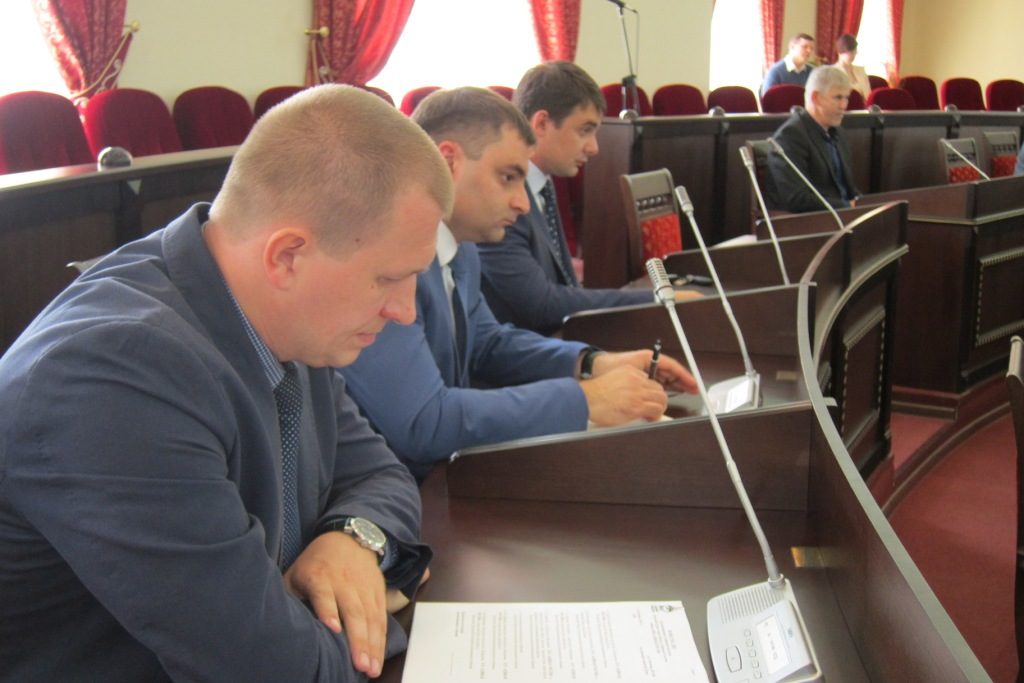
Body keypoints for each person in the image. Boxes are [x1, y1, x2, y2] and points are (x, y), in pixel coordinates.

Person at [0, 85, 453, 682]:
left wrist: (352, 539)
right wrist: (377, 609)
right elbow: (278, 671)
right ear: (287, 256)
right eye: (388, 279)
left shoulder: (287, 316)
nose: (405, 311)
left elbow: (380, 474)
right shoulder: (109, 375)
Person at [340, 87, 697, 480]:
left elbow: (488, 343)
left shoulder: (461, 247)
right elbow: (425, 420)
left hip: (454, 472)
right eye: (508, 177)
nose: (523, 204)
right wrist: (584, 399)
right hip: (398, 489)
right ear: (447, 162)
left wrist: (591, 363)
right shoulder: (385, 264)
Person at [476, 61, 674, 335]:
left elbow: (564, 285)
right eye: (584, 131)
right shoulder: (503, 201)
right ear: (541, 124)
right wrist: (655, 298)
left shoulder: (543, 184)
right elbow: (541, 305)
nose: (594, 147)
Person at [766, 65, 862, 213]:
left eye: (846, 98)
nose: (844, 105)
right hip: (812, 220)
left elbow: (847, 188)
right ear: (815, 98)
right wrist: (848, 207)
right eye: (838, 97)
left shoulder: (838, 133)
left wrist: (864, 204)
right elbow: (797, 199)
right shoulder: (790, 136)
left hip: (843, 216)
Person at [834, 33, 871, 98]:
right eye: (851, 52)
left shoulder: (861, 70)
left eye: (855, 52)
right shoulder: (833, 72)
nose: (854, 55)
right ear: (840, 52)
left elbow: (869, 96)